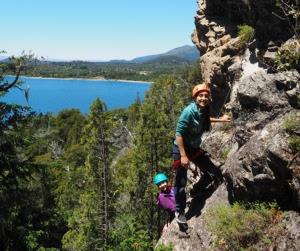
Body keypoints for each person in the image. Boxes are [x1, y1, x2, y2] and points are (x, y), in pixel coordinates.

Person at [172, 83, 231, 224]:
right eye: (200, 96)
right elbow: (178, 134)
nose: (203, 98)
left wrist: (220, 120)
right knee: (180, 182)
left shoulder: (203, 110)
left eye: (206, 96)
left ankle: (196, 190)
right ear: (195, 97)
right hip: (182, 149)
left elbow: (205, 120)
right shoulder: (188, 111)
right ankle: (179, 211)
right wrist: (183, 156)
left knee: (213, 173)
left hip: (194, 148)